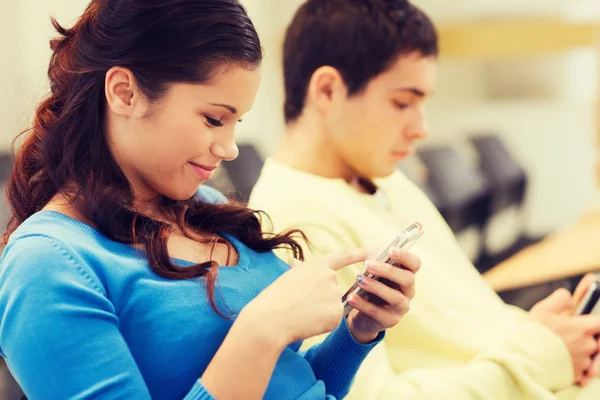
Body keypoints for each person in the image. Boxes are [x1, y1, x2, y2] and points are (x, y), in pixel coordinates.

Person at [0, 1, 422, 399]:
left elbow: (288, 384)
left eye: (236, 122)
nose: (230, 147)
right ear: (125, 92)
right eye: (214, 119)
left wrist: (355, 332)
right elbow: (255, 355)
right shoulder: (47, 264)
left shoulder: (203, 204)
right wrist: (262, 329)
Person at [248, 0, 600, 399]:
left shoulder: (382, 179)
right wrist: (539, 357)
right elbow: (373, 395)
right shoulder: (293, 221)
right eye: (403, 103)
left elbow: (469, 322)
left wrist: (548, 335)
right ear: (327, 90)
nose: (422, 128)